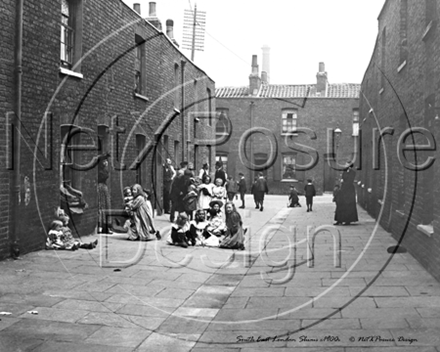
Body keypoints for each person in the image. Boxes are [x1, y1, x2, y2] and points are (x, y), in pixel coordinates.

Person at [97, 153, 112, 233]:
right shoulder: (99, 171)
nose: (106, 162)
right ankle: (100, 226)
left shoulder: (105, 170)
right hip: (100, 187)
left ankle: (106, 227)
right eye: (104, 161)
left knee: (106, 206)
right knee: (101, 206)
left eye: (106, 161)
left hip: (104, 187)